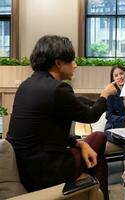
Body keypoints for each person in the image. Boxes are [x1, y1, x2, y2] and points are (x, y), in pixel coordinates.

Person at [6, 35, 116, 200]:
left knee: (92, 152)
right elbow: (91, 115)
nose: (76, 65)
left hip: (24, 167)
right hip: (46, 171)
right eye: (72, 60)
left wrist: (79, 143)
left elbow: (45, 130)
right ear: (58, 63)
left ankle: (95, 191)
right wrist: (105, 95)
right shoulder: (58, 89)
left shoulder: (26, 85)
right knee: (99, 137)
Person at [104, 66, 125, 133]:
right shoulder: (110, 93)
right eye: (116, 75)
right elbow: (109, 116)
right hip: (113, 126)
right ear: (113, 79)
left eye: (121, 73)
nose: (120, 77)